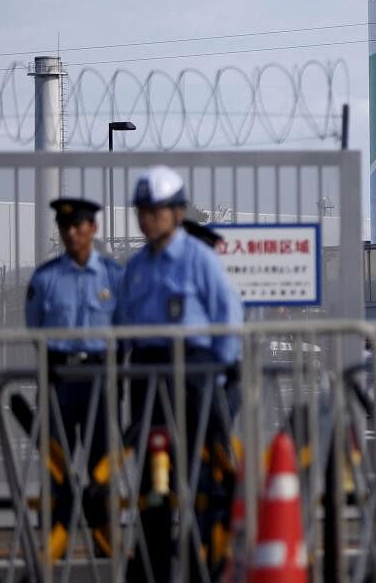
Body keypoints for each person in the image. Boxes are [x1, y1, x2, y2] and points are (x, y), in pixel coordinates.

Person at [117, 166, 243, 583]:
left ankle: (205, 561)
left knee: (205, 477)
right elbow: (121, 326)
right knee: (154, 480)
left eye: (155, 210)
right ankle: (153, 564)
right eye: (142, 210)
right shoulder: (136, 266)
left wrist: (218, 378)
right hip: (148, 378)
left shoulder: (199, 259)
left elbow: (227, 320)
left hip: (195, 375)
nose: (147, 218)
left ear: (176, 212)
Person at [25, 198, 123, 559]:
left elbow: (126, 326)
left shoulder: (114, 277)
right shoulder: (46, 278)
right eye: (65, 226)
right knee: (56, 469)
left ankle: (105, 549)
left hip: (101, 377)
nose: (71, 233)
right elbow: (35, 327)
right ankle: (54, 549)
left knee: (103, 469)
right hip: (59, 379)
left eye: (79, 226)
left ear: (93, 229)